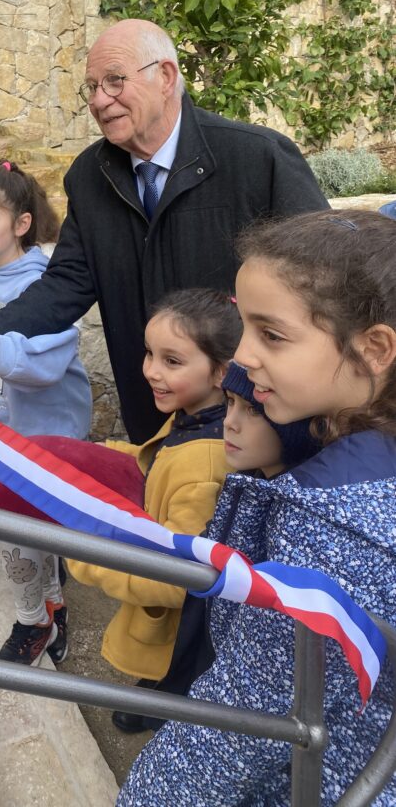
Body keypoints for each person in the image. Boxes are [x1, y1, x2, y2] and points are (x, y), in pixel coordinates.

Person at [0, 19, 328, 445]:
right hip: (153, 414)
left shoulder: (255, 158)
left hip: (251, 419)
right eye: (92, 87)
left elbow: (324, 277)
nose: (100, 100)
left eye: (115, 81)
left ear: (166, 77)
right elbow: (65, 285)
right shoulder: (89, 176)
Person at [119, 209, 396, 807]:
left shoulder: (336, 528)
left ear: (373, 349)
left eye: (271, 334)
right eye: (244, 326)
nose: (241, 355)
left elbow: (248, 715)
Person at [66, 289, 240, 732]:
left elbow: (177, 580)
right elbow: (157, 461)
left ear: (221, 371)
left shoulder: (203, 465)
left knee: (181, 673)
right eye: (149, 354)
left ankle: (169, 707)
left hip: (185, 625)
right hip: (184, 622)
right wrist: (97, 458)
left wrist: (87, 559)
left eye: (172, 361)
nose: (151, 372)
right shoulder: (197, 414)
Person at [0, 161, 92, 666]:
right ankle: (48, 607)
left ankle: (34, 621)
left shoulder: (47, 280)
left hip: (51, 432)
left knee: (21, 529)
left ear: (22, 224)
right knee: (16, 528)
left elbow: (48, 362)